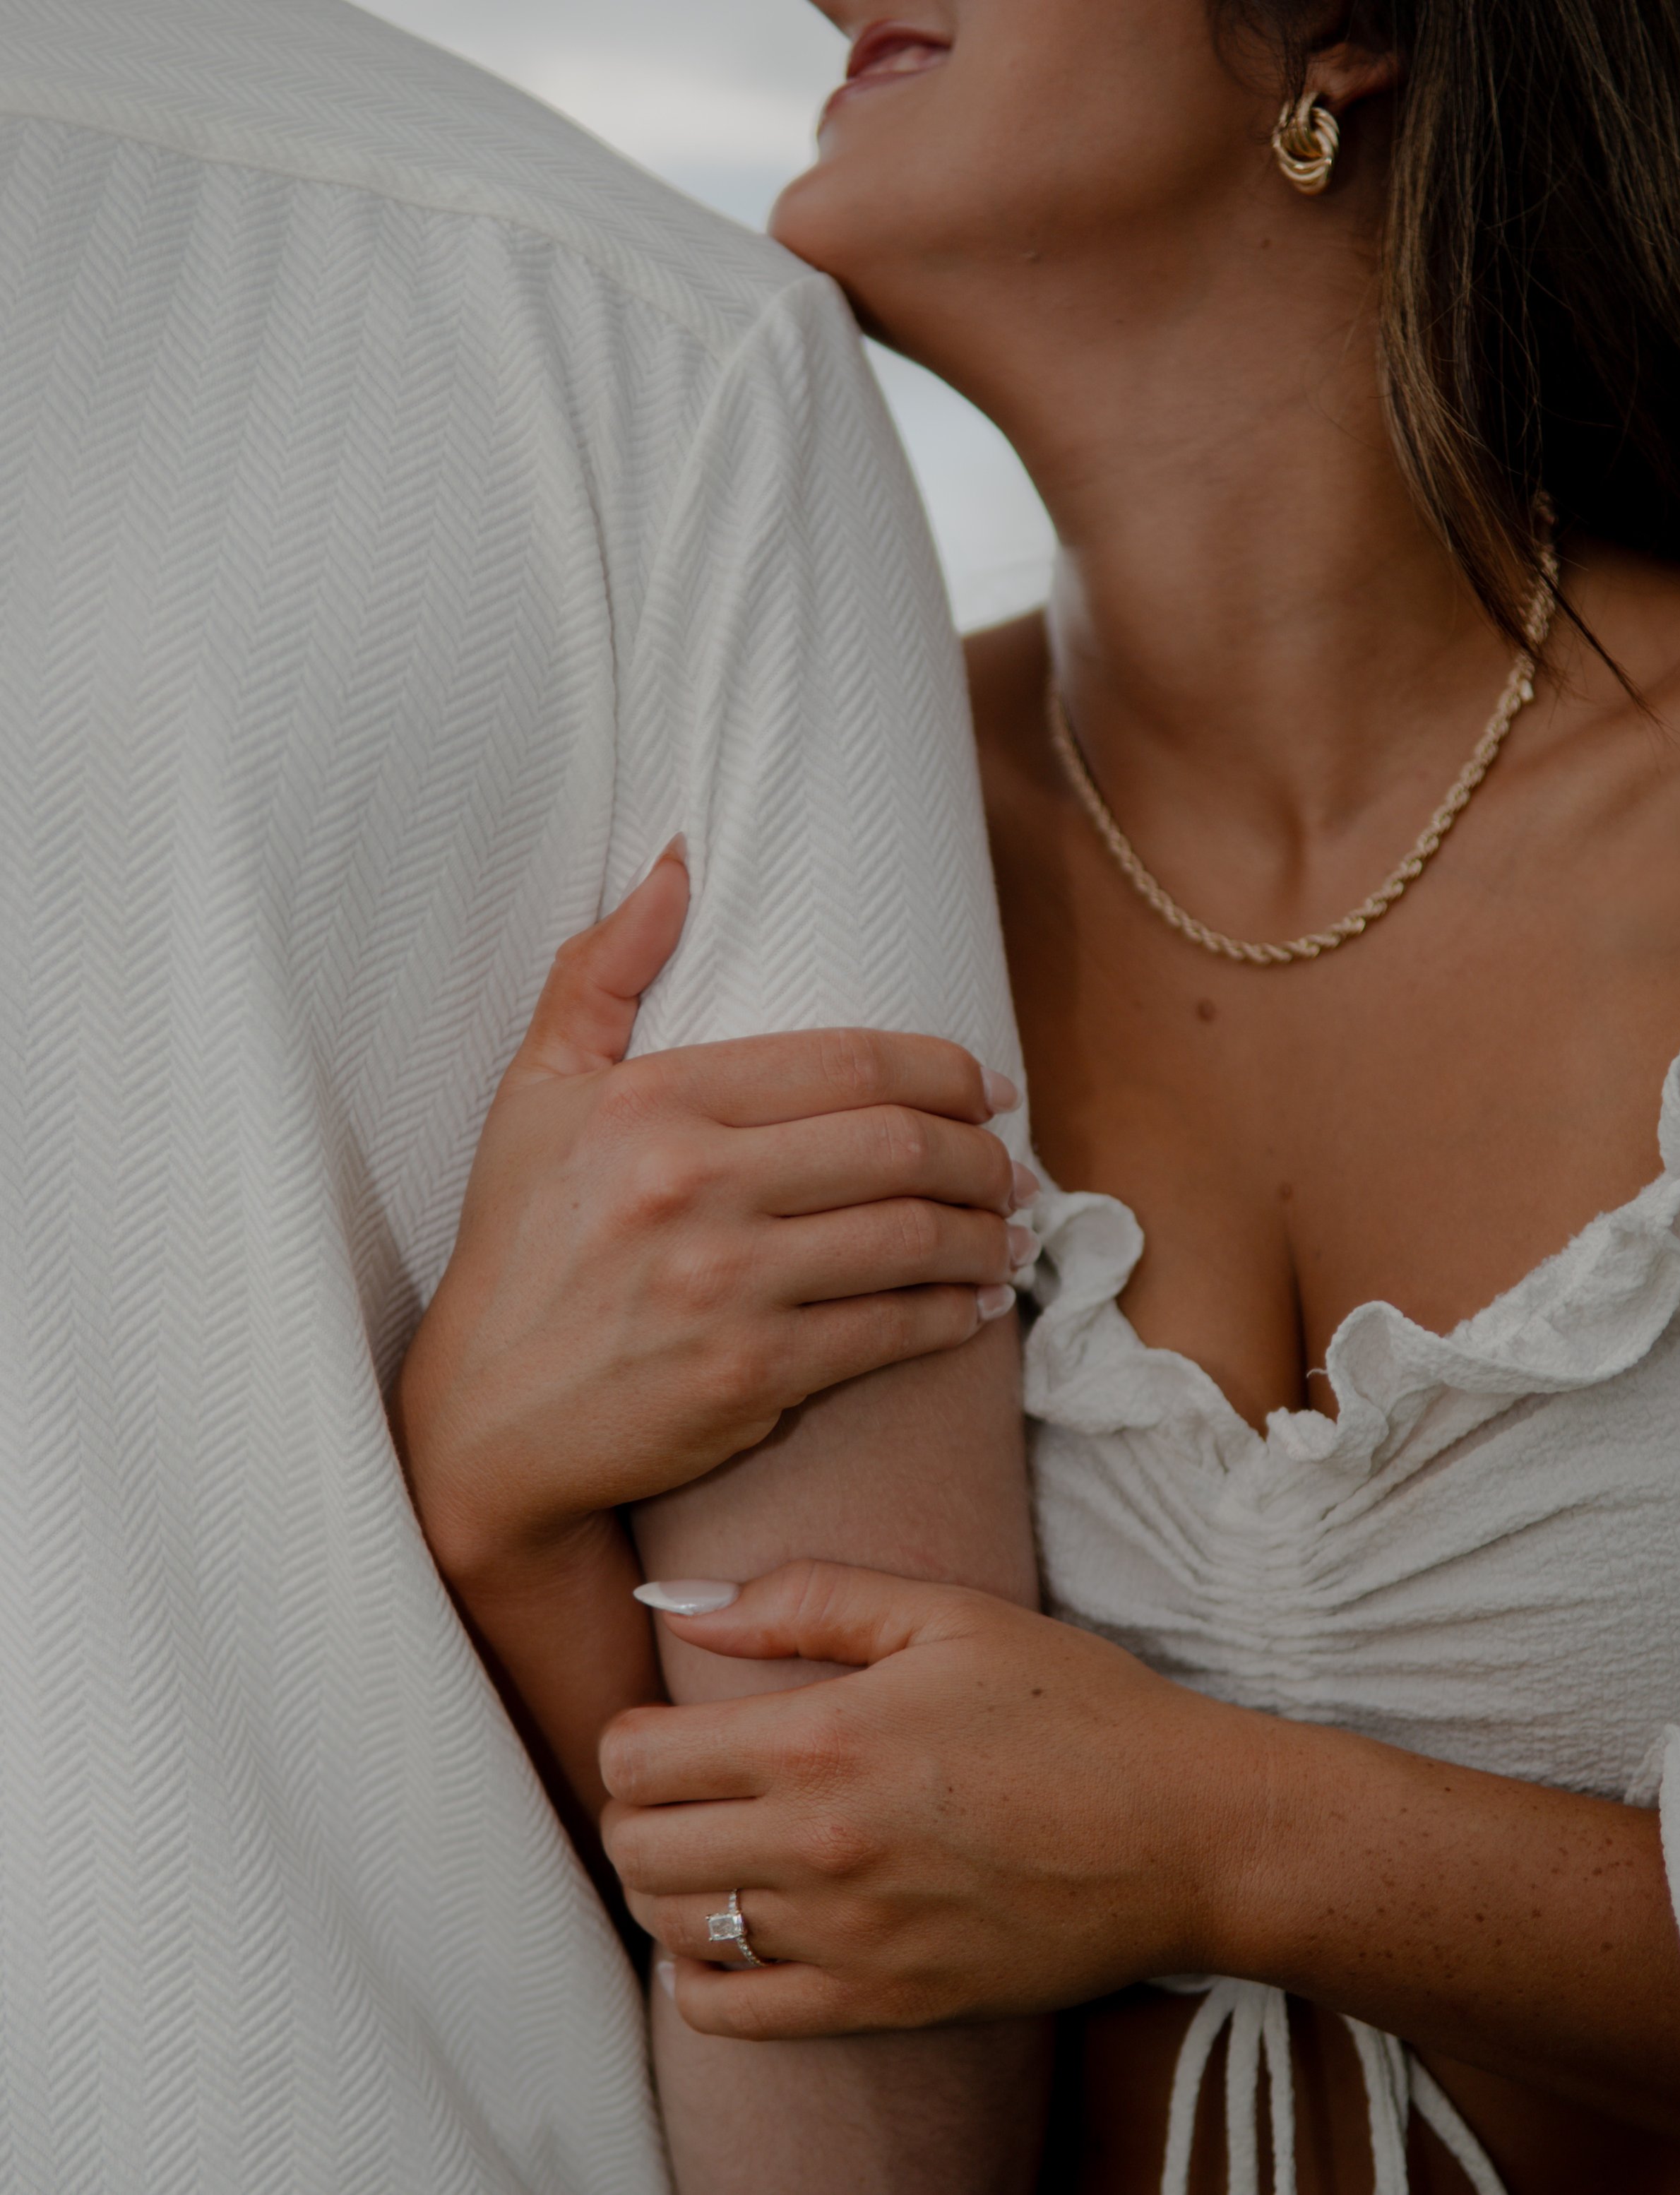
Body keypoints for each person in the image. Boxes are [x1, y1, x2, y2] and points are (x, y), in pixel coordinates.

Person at [574, 2, 1680, 2191]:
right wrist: (484, 1499)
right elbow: (735, 1888)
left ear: (1349, 26)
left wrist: (1230, 1840)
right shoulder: (762, 880)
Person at [0, 0, 1052, 2185]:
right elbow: (870, 2032)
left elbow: (867, 1859)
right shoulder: (635, 352)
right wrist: (481, 1517)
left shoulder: (674, 358)